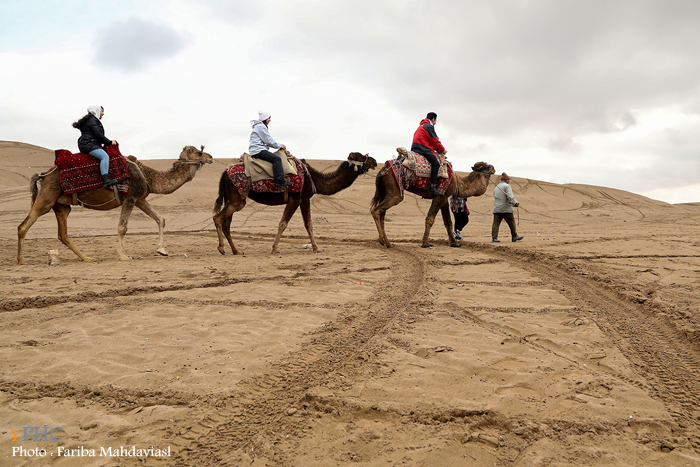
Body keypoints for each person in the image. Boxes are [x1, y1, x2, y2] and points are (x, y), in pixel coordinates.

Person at [72, 105, 118, 187]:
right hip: (89, 144)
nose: (103, 113)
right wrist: (110, 142)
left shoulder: (91, 120)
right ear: (96, 110)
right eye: (102, 111)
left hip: (90, 143)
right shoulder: (92, 120)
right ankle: (106, 179)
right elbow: (98, 135)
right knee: (104, 156)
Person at [249, 110, 292, 187]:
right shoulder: (261, 126)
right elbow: (269, 140)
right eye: (269, 118)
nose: (270, 120)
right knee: (277, 159)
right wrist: (280, 145)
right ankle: (279, 181)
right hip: (258, 150)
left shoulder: (259, 126)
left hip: (257, 149)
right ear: (265, 118)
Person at [411, 112, 446, 196]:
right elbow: (434, 140)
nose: (435, 122)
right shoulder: (429, 126)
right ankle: (433, 186)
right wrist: (442, 149)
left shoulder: (421, 126)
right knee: (436, 164)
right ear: (433, 119)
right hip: (423, 149)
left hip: (416, 147)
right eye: (435, 120)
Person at [492, 172, 523, 243]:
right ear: (506, 180)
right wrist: (515, 203)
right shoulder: (507, 186)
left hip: (497, 208)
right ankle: (514, 236)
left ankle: (494, 238)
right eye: (508, 180)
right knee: (511, 222)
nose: (509, 181)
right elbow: (510, 196)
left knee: (495, 224)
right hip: (505, 209)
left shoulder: (496, 187)